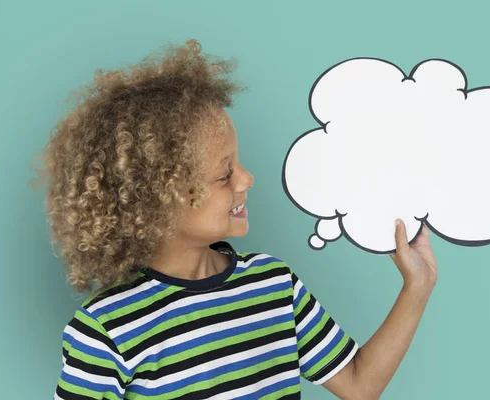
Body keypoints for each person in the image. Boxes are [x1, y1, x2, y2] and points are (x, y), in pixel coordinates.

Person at [34, 39, 438, 400]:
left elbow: (359, 385)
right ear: (161, 198)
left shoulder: (275, 285)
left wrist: (418, 287)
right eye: (225, 174)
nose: (247, 179)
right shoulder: (107, 330)